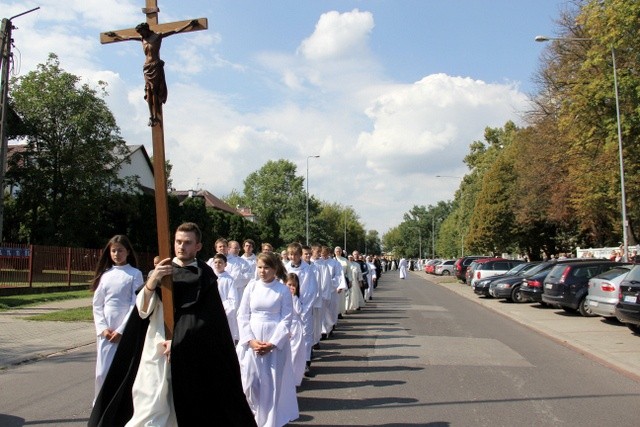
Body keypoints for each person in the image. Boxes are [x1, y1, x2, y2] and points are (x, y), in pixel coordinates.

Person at [89, 222, 256, 427]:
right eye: (178, 242)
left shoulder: (205, 276)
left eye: (187, 243)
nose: (181, 247)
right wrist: (153, 281)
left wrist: (178, 342)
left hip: (190, 354)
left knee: (182, 410)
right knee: (149, 405)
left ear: (198, 246)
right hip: (157, 349)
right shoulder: (162, 272)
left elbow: (208, 322)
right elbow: (142, 311)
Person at [236, 252, 299, 427]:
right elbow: (242, 315)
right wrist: (250, 340)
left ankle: (268, 422)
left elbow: (287, 319)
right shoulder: (251, 286)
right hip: (253, 339)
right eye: (259, 267)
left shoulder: (282, 290)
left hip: (273, 341)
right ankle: (254, 415)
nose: (262, 271)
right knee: (249, 382)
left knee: (271, 384)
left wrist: (272, 343)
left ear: (275, 269)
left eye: (266, 267)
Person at [105, 20, 199, 126]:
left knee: (154, 89)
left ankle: (155, 115)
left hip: (155, 65)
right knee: (148, 90)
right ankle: (151, 116)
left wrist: (189, 25)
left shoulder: (158, 36)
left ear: (146, 29)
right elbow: (128, 38)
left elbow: (175, 31)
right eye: (140, 33)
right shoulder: (142, 39)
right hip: (147, 67)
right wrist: (115, 35)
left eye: (142, 32)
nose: (141, 34)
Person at [91, 235, 143, 404]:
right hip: (106, 328)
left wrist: (122, 329)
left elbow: (134, 304)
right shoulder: (105, 275)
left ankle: (120, 403)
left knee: (122, 368)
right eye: (113, 250)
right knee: (102, 371)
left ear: (127, 252)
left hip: (124, 326)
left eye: (120, 250)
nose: (116, 254)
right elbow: (97, 304)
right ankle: (100, 402)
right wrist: (103, 328)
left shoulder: (134, 274)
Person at [211, 253, 240, 344]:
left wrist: (222, 310)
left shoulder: (229, 280)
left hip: (224, 313)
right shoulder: (210, 278)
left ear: (225, 264)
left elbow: (233, 299)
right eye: (215, 262)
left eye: (220, 262)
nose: (217, 264)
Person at [285, 272, 307, 387]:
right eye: (289, 285)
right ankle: (286, 377)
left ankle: (293, 377)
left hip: (296, 327)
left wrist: (294, 297)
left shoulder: (297, 297)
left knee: (295, 352)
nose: (291, 287)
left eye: (293, 285)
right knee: (287, 353)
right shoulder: (282, 296)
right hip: (287, 327)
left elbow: (299, 311)